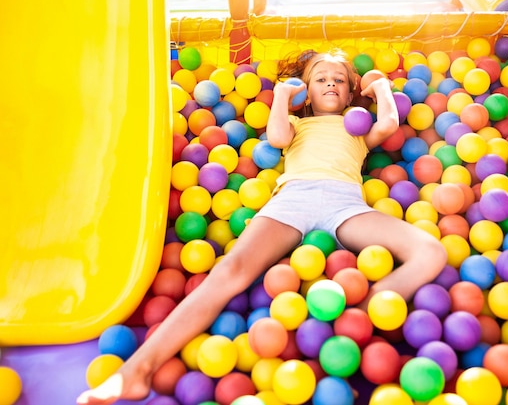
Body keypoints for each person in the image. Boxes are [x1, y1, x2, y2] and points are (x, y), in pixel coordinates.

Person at [77, 49, 447, 405]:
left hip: (345, 205)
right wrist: (282, 97)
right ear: (306, 91)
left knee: (431, 251)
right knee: (230, 270)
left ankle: (351, 327)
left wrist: (380, 87)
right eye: (320, 78)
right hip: (292, 201)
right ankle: (137, 369)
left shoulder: (357, 127)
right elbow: (277, 139)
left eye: (339, 79)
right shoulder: (298, 123)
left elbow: (387, 124)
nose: (330, 83)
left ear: (351, 92)